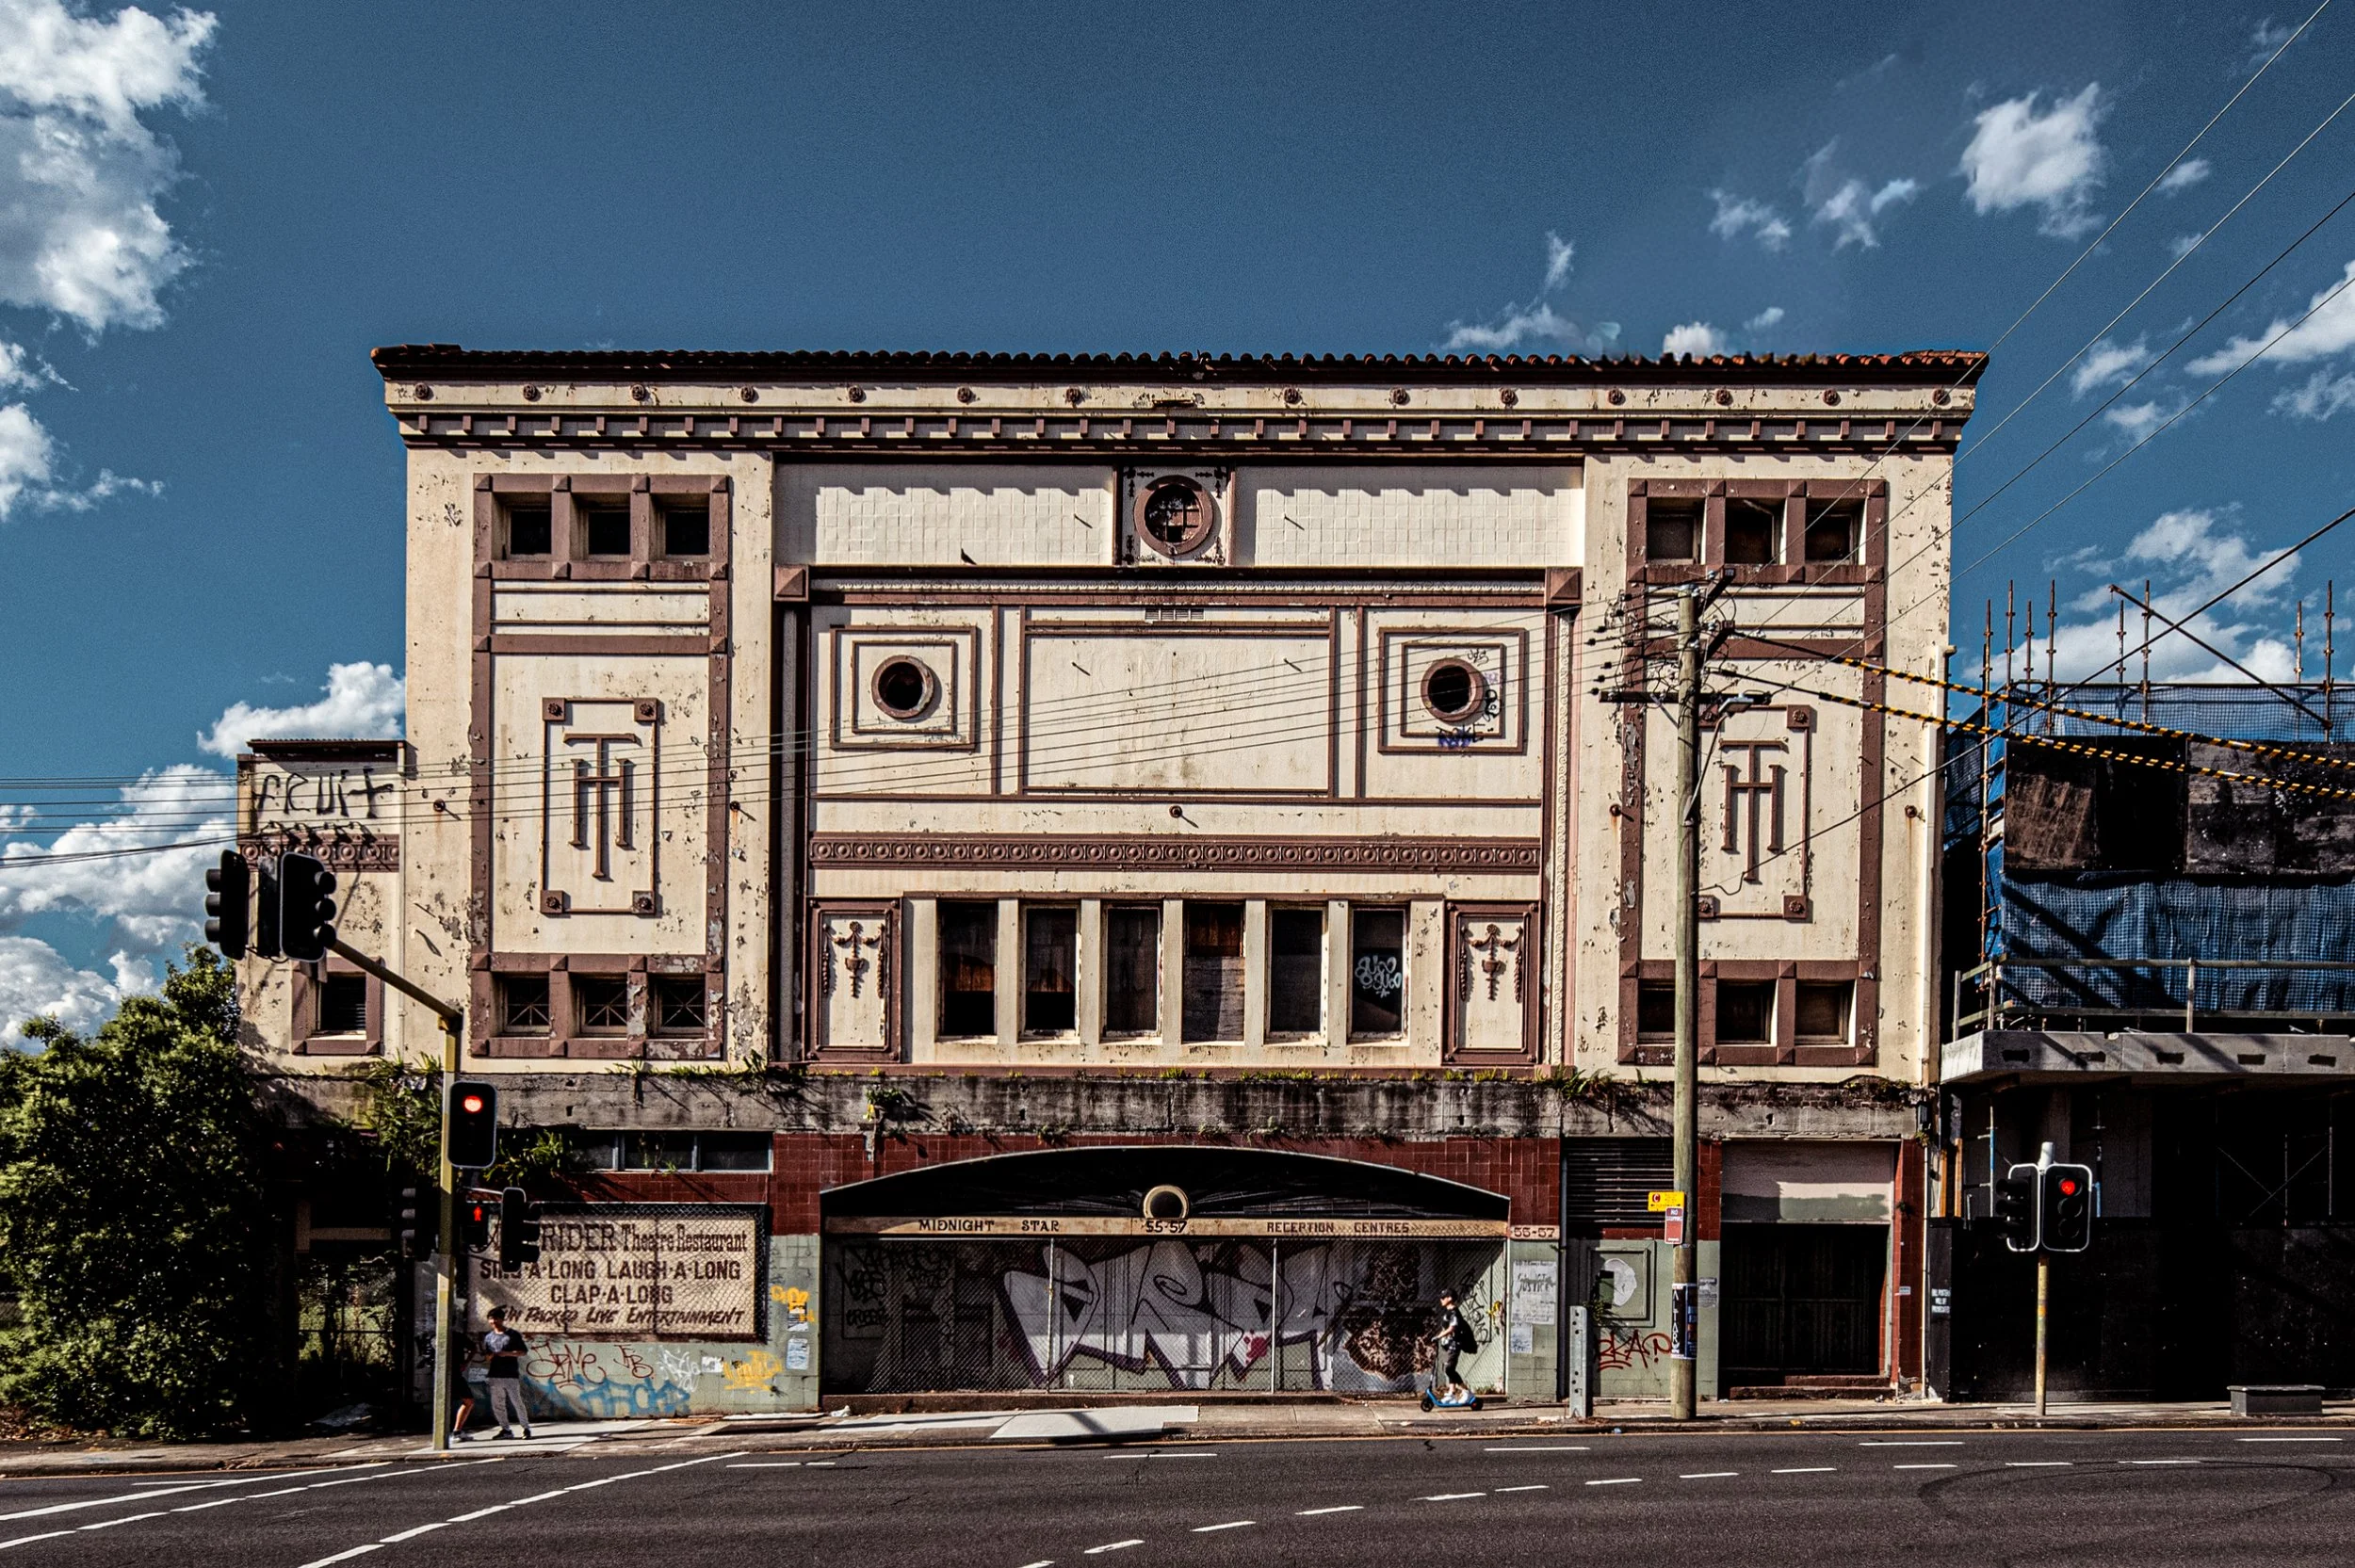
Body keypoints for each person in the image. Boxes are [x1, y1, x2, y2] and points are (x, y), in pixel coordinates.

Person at [480, 1306, 533, 1440]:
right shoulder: (488, 1337)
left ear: (502, 1320)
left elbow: (523, 1351)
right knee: (498, 1404)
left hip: (510, 1374)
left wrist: (507, 1354)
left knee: (517, 1401)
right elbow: (486, 1356)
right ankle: (505, 1429)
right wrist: (491, 1356)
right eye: (491, 1319)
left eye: (496, 1319)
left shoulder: (512, 1335)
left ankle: (526, 1428)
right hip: (495, 1374)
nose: (493, 1322)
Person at [1429, 1289, 1475, 1400]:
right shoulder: (1448, 1312)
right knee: (1450, 1369)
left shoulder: (1454, 1312)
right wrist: (1438, 1337)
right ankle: (1452, 1393)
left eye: (1443, 1297)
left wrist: (1439, 1337)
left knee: (1449, 1369)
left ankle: (1466, 1391)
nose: (1441, 1299)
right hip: (1449, 1345)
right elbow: (1445, 1328)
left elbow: (1452, 1328)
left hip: (1455, 1344)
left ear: (1449, 1298)